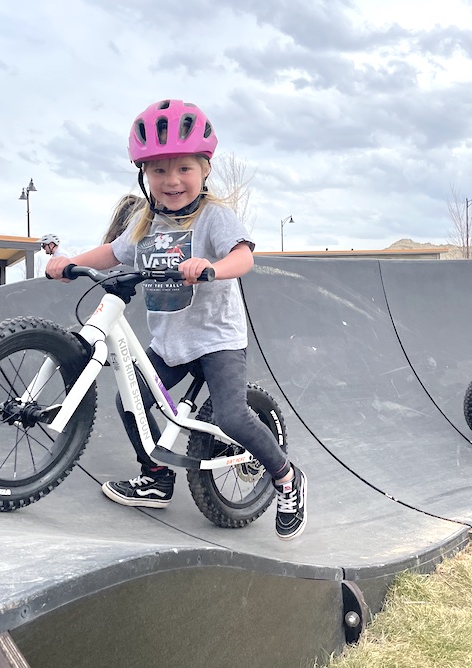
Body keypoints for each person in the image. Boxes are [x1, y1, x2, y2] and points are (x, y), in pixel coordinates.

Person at [46, 99, 307, 540]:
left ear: (205, 169)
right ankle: (155, 477)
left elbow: (243, 257)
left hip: (218, 340)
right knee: (129, 400)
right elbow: (113, 254)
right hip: (172, 342)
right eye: (159, 171)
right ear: (145, 176)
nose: (171, 181)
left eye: (183, 168)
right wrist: (70, 262)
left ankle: (286, 477)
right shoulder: (145, 223)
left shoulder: (215, 218)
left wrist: (211, 267)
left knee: (231, 416)